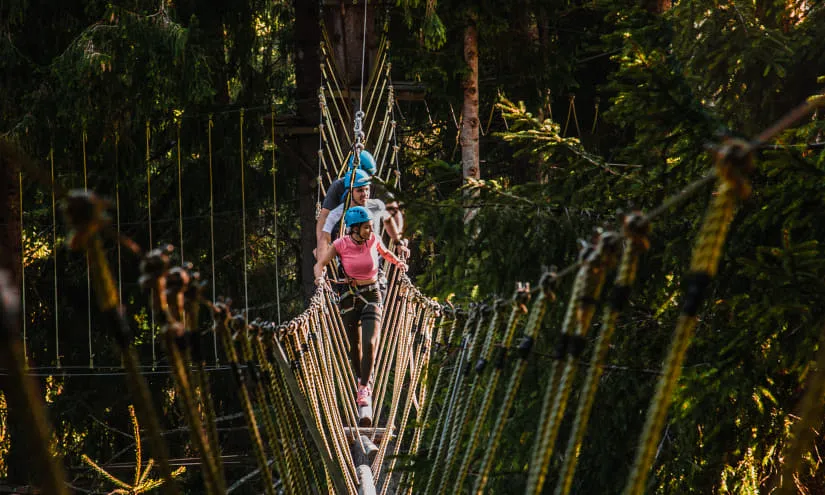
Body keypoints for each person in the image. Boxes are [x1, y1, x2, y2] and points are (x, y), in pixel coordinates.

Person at [313, 206, 408, 418]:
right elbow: (320, 265)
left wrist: (399, 262)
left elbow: (385, 253)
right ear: (354, 229)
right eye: (366, 227)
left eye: (371, 226)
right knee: (353, 347)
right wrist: (320, 278)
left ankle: (364, 387)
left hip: (373, 294)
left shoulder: (373, 239)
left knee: (370, 342)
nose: (370, 230)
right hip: (349, 296)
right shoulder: (340, 244)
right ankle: (360, 378)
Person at [317, 168, 409, 261]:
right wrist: (322, 257)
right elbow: (324, 234)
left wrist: (398, 243)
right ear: (350, 191)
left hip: (373, 261)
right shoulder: (339, 212)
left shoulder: (376, 205)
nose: (365, 194)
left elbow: (388, 219)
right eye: (360, 190)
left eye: (367, 189)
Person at [315, 149, 378, 257]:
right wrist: (322, 246)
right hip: (341, 227)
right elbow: (324, 217)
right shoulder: (339, 186)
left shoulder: (375, 185)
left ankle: (377, 264)